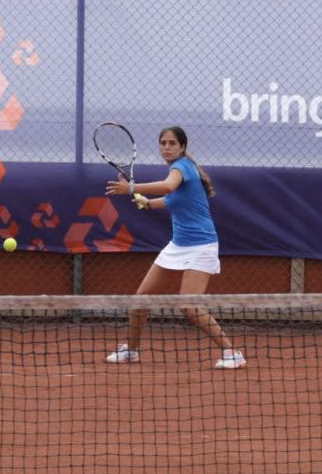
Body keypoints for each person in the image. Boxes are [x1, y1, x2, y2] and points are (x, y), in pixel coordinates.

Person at [103, 126, 246, 370]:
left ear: (182, 147)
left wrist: (132, 189)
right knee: (141, 299)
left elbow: (168, 187)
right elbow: (169, 199)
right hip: (178, 245)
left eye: (172, 143)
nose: (167, 147)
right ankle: (132, 350)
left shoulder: (182, 167)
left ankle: (232, 352)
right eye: (163, 143)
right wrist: (147, 204)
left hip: (201, 245)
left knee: (188, 304)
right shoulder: (179, 172)